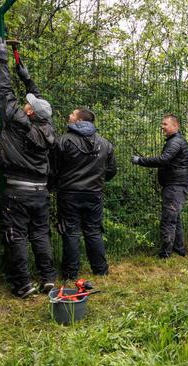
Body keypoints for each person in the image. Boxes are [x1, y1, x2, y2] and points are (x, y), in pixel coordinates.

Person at [0, 38, 57, 298]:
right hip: (40, 191)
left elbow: (4, 91)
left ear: (29, 113)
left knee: (17, 235)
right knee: (40, 234)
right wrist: (27, 78)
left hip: (17, 192)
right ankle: (48, 279)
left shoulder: (16, 119)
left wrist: (2, 59)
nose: (26, 103)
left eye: (28, 104)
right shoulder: (47, 127)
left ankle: (23, 284)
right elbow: (42, 104)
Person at [51, 108, 117, 279]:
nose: (69, 116)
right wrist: (97, 180)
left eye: (72, 114)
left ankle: (71, 274)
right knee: (93, 231)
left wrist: (58, 183)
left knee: (71, 232)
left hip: (69, 194)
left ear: (79, 120)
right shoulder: (105, 144)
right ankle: (100, 270)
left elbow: (54, 169)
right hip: (94, 193)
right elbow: (111, 171)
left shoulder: (63, 141)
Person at [130, 114, 188, 258]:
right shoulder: (176, 141)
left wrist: (140, 160)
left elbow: (164, 159)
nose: (162, 127)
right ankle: (179, 249)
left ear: (175, 126)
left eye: (165, 124)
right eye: (162, 124)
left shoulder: (175, 142)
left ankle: (165, 254)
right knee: (175, 218)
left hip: (175, 186)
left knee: (168, 220)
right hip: (176, 184)